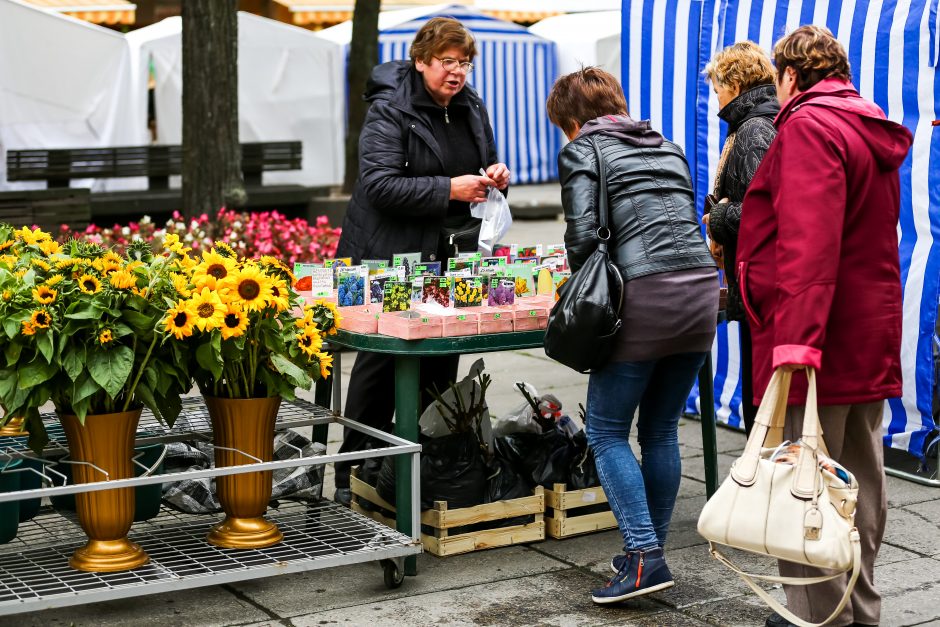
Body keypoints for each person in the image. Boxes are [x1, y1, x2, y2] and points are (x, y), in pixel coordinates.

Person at [735, 25, 912, 627]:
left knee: (805, 484)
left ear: (788, 77)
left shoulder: (810, 125)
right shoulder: (866, 121)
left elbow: (809, 246)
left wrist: (795, 344)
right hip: (864, 331)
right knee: (858, 477)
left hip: (819, 338)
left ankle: (817, 618)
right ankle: (857, 609)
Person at [546, 67, 718, 603]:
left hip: (643, 297)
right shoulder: (665, 144)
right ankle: (651, 554)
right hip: (699, 293)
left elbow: (581, 236)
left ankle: (644, 556)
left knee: (605, 432)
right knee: (662, 431)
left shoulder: (583, 150)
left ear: (572, 119)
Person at [333, 17, 510, 504]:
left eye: (465, 63)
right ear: (421, 61)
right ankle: (355, 472)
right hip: (388, 255)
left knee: (440, 354)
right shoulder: (391, 109)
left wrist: (493, 175)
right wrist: (448, 188)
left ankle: (422, 467)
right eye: (447, 62)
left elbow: (482, 164)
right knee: (382, 361)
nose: (457, 72)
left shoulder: (470, 106)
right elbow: (378, 185)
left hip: (449, 253)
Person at [702, 41, 779, 436]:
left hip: (760, 283)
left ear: (735, 82)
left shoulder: (752, 130)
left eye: (717, 83)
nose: (715, 92)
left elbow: (762, 213)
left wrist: (716, 215)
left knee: (760, 395)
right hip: (759, 281)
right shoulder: (755, 122)